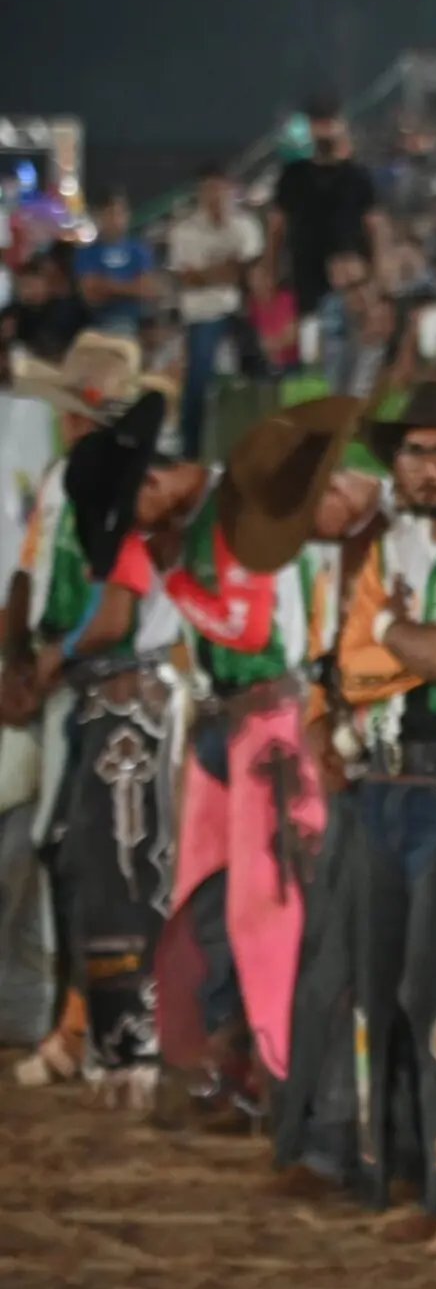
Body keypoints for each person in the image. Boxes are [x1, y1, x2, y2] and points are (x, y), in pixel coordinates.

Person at [273, 383, 436, 1243]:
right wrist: (407, 642)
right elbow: (352, 665)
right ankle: (400, 1165)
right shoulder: (392, 548)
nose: (427, 467)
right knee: (380, 981)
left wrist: (395, 634)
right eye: (414, 452)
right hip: (389, 781)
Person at [140, 397, 362, 1127]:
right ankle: (235, 1062)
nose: (139, 518)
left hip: (266, 723)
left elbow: (248, 626)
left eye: (140, 496)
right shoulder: (213, 515)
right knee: (215, 901)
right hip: (233, 716)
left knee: (265, 907)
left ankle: (277, 1077)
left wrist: (174, 580)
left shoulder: (244, 517)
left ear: (164, 476)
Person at [27, 387, 184, 1102]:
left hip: (125, 703)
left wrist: (56, 655)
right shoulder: (124, 522)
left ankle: (125, 1037)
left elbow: (114, 618)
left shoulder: (122, 528)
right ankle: (97, 1029)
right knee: (101, 863)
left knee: (119, 869)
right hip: (121, 701)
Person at [167, 167, 268, 459]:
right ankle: (190, 450)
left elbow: (251, 270)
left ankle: (258, 444)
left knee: (259, 374)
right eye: (210, 189)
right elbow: (188, 277)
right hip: (203, 312)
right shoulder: (184, 230)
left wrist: (210, 273)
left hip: (241, 310)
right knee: (198, 378)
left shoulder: (245, 225)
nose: (216, 196)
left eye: (221, 189)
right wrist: (228, 269)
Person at [270, 98, 381, 315]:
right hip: (306, 272)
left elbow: (375, 226)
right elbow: (277, 226)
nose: (324, 130)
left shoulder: (358, 175)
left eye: (329, 122)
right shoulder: (293, 175)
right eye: (318, 123)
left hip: (351, 274)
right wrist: (270, 268)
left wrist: (376, 275)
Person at [74, 194, 156, 339]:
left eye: (120, 213)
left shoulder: (138, 250)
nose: (115, 220)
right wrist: (130, 286)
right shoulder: (87, 252)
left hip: (136, 324)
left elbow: (147, 290)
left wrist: (106, 285)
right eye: (110, 214)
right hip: (96, 324)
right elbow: (91, 296)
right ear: (99, 216)